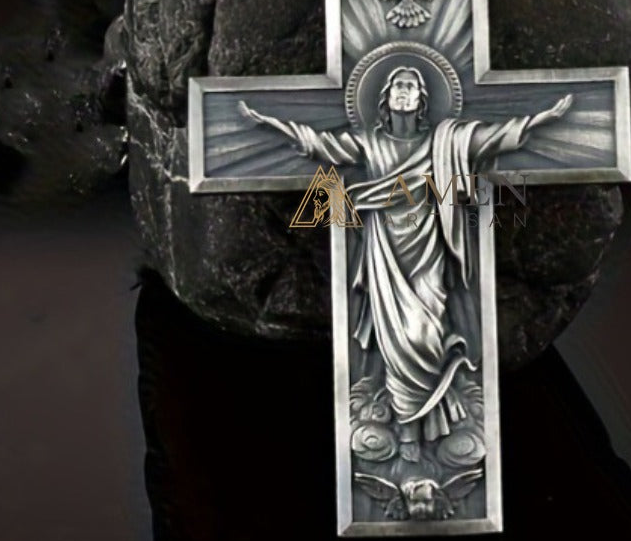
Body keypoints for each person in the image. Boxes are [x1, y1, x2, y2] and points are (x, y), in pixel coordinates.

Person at [240, 65, 571, 461]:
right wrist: (269, 122)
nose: (403, 90)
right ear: (385, 97)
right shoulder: (369, 143)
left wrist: (545, 117)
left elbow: (494, 138)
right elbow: (321, 146)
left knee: (423, 334)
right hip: (384, 251)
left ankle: (424, 428)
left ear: (422, 99)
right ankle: (409, 435)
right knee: (394, 341)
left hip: (428, 249)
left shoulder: (445, 140)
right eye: (397, 84)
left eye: (411, 85)